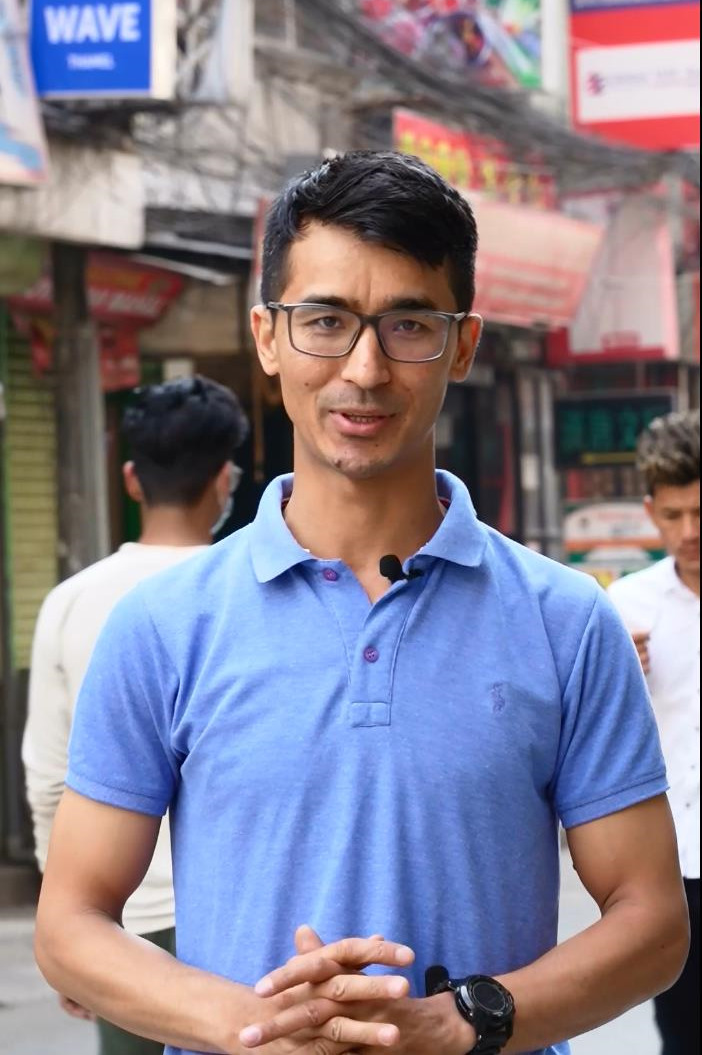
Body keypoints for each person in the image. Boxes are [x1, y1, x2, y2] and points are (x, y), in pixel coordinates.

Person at [34, 152, 689, 1055]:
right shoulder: (163, 625)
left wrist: (461, 1022)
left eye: (409, 324)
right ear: (267, 336)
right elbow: (70, 923)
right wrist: (259, 1027)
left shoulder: (566, 620)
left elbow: (652, 919)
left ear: (464, 344)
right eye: (326, 321)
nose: (366, 367)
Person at [23, 375, 249, 1055]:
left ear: (130, 479)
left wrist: (68, 924)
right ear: (224, 480)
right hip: (241, 925)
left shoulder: (71, 601)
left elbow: (48, 778)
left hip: (118, 931)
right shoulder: (254, 597)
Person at [607, 410, 699, 1055]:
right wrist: (620, 678)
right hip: (675, 865)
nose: (689, 532)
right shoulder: (624, 608)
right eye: (673, 515)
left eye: (700, 512)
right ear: (650, 512)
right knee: (684, 1033)